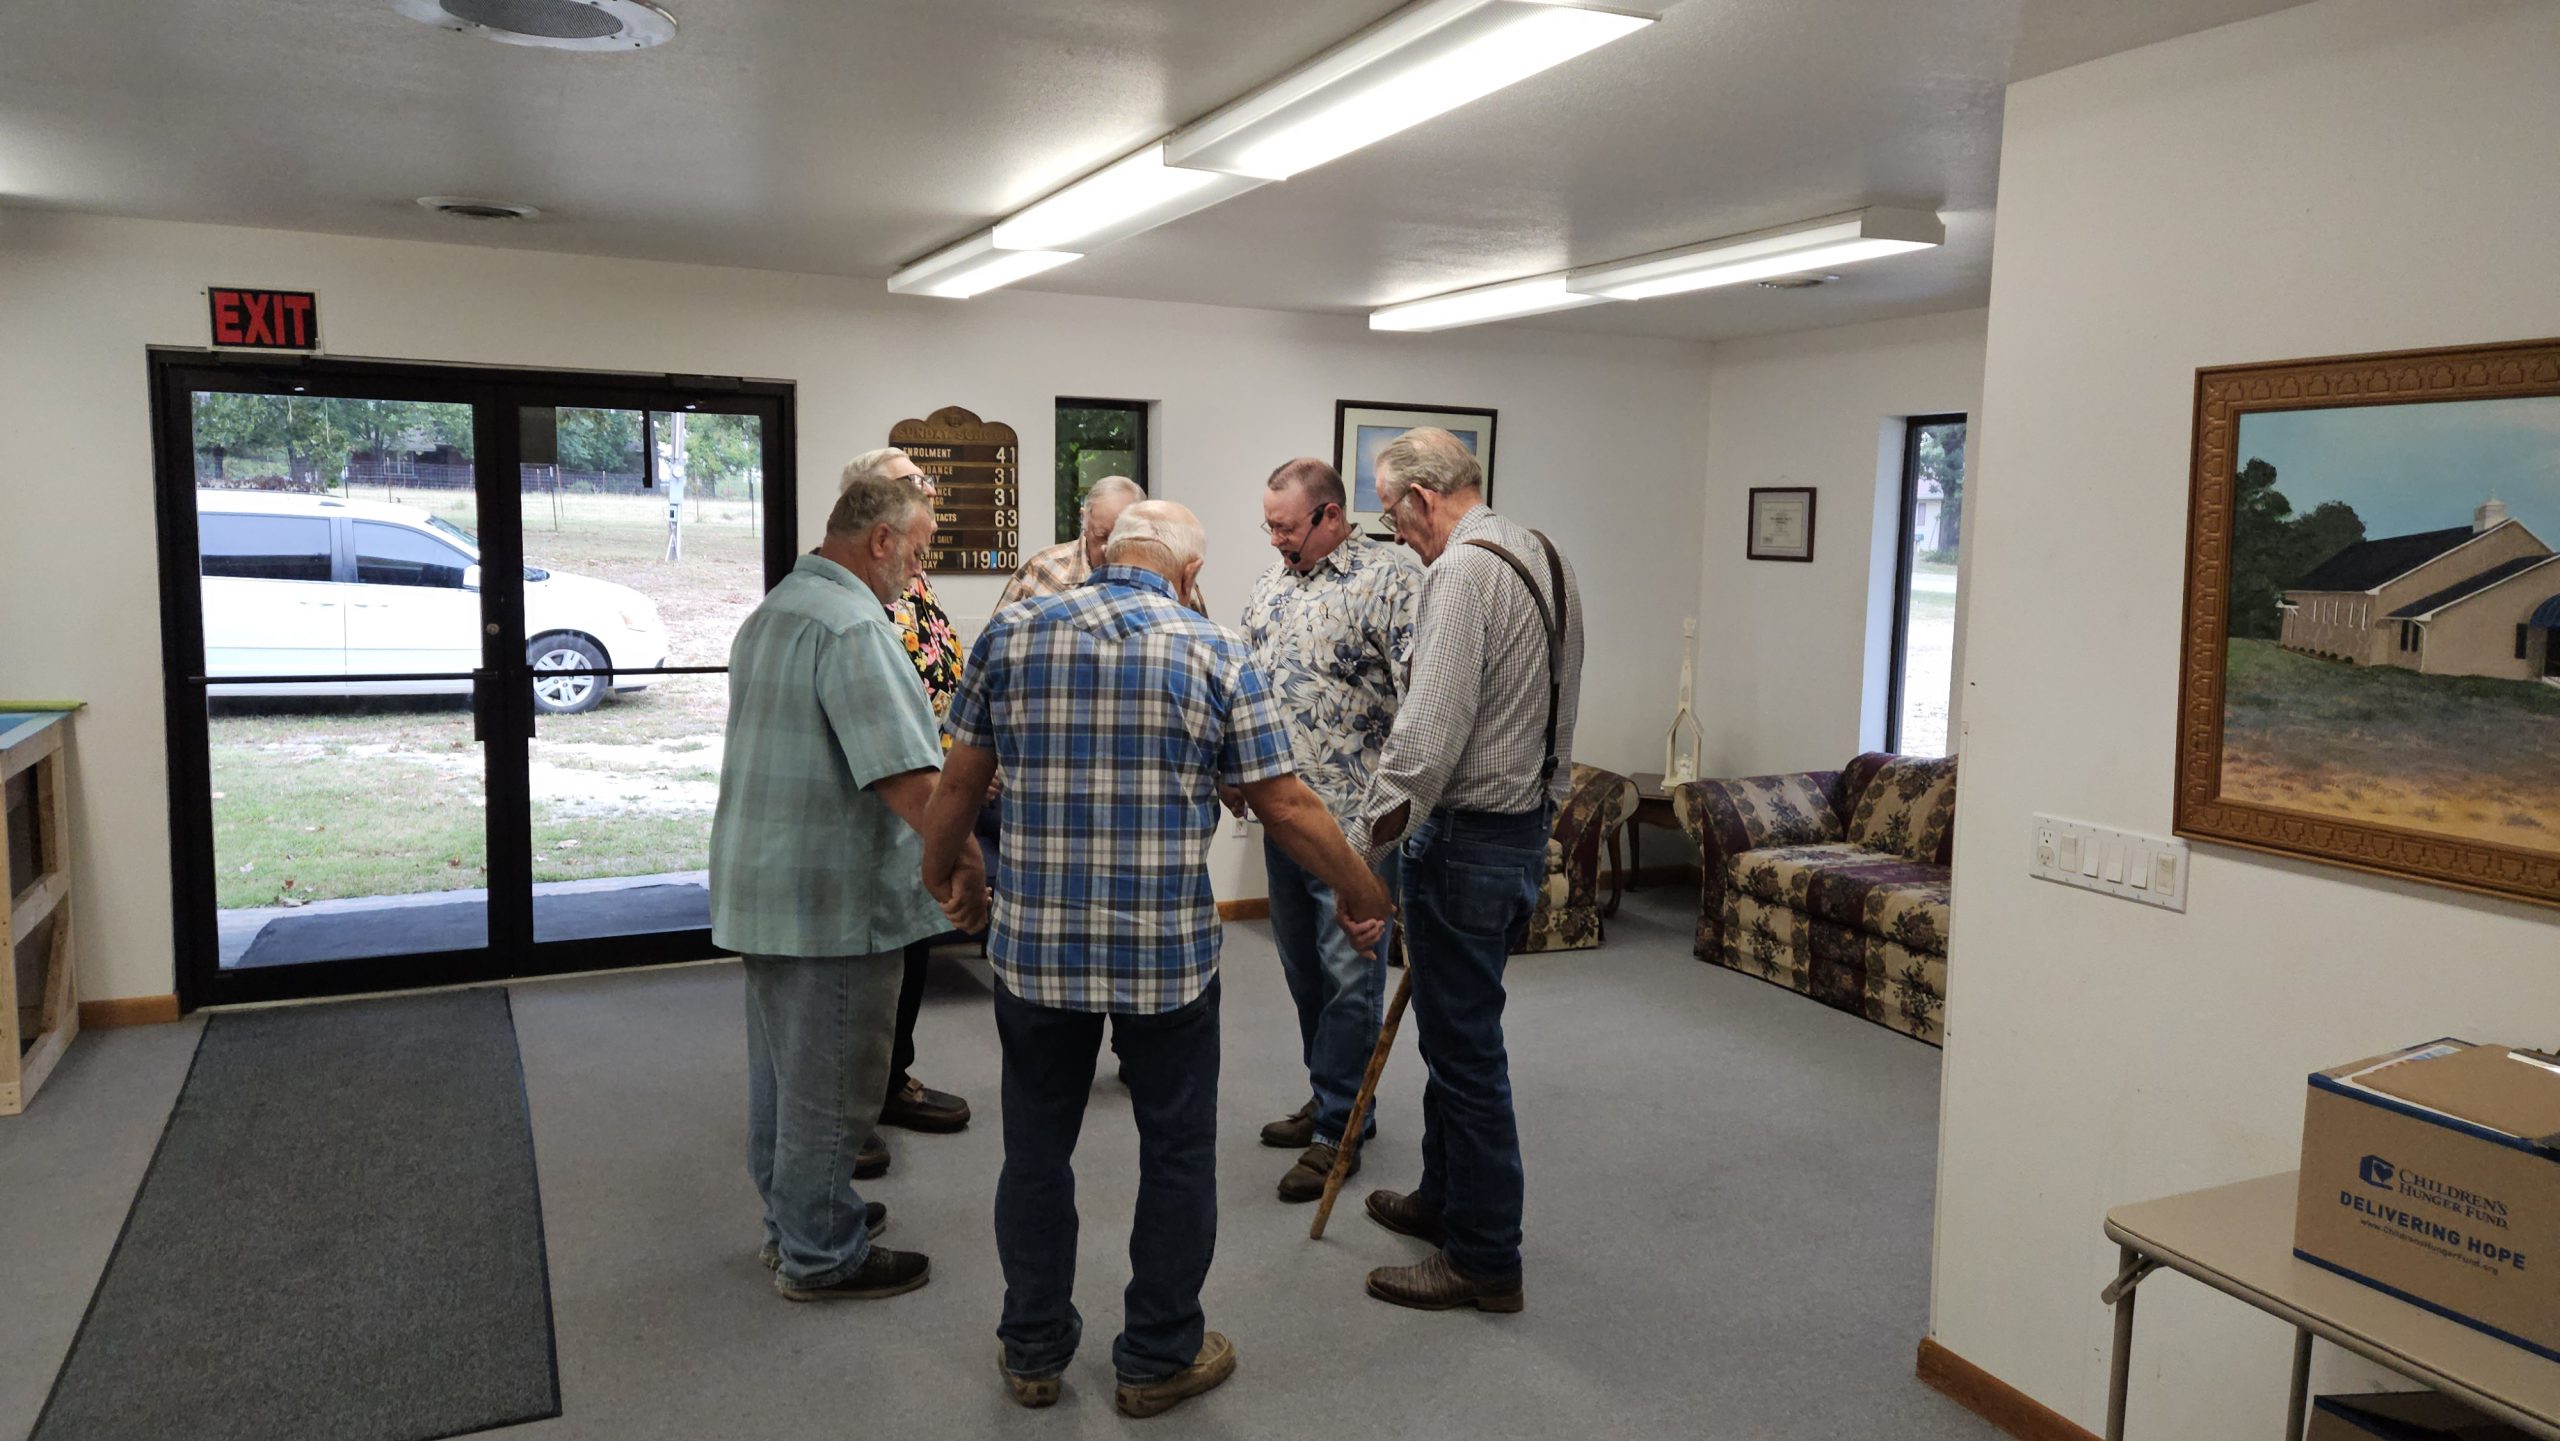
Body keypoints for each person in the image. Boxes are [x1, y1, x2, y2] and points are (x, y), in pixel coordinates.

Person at [919, 500, 1392, 1417]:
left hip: (1038, 953)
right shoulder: (1214, 650)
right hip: (1165, 959)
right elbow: (1285, 805)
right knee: (1176, 1152)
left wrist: (944, 874)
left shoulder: (1011, 633)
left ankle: (1032, 1350)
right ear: (1183, 570)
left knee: (1034, 1153)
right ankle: (1158, 1355)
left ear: (1105, 553)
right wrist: (1362, 886)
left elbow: (959, 781)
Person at [710, 470, 989, 1302]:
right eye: (918, 546)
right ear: (880, 539)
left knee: (785, 1077)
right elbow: (910, 782)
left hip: (765, 888)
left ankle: (795, 1219)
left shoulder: (780, 609)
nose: (919, 564)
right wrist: (963, 864)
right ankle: (821, 1253)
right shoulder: (854, 628)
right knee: (835, 1083)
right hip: (831, 903)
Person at [1341, 428, 1583, 1315]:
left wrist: (1361, 856)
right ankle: (1443, 1199)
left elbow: (1425, 744)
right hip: (1518, 832)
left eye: (1390, 511)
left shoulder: (1461, 571)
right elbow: (1555, 724)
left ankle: (1484, 1257)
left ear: (1419, 498)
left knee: (1466, 1053)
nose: (1395, 531)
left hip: (1465, 840)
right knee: (1455, 1033)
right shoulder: (1541, 553)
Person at [1232, 457, 1419, 1202]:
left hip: (1355, 827)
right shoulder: (1270, 588)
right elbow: (1245, 688)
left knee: (1350, 975)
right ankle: (1333, 1094)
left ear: (1331, 516)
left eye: (1287, 526)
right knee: (1304, 970)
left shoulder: (1392, 580)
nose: (1276, 539)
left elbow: (1420, 708)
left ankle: (1340, 1125)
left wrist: (1391, 822)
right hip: (1286, 822)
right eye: (1269, 526)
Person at [846, 447, 974, 1168]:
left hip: (933, 785)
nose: (928, 495)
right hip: (885, 799)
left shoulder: (914, 582)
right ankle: (846, 1111)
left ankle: (891, 1080)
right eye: (913, 485)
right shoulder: (854, 591)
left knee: (911, 953)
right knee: (868, 970)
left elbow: (942, 676)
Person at [995, 473, 1205, 614]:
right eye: (1102, 535)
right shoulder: (1041, 570)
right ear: (1084, 519)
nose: (1109, 547)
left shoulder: (1174, 578)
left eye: (1122, 536)